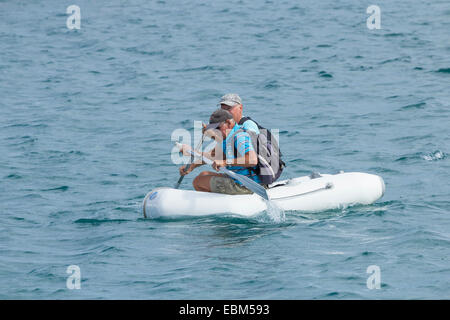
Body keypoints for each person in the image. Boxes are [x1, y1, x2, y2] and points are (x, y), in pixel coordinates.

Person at [178, 109, 261, 195]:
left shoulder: (239, 136)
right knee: (204, 174)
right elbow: (213, 156)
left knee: (198, 182)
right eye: (214, 129)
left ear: (229, 123)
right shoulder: (227, 137)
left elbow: (252, 160)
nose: (216, 131)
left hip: (247, 185)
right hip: (237, 177)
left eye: (218, 128)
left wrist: (225, 162)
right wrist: (192, 166)